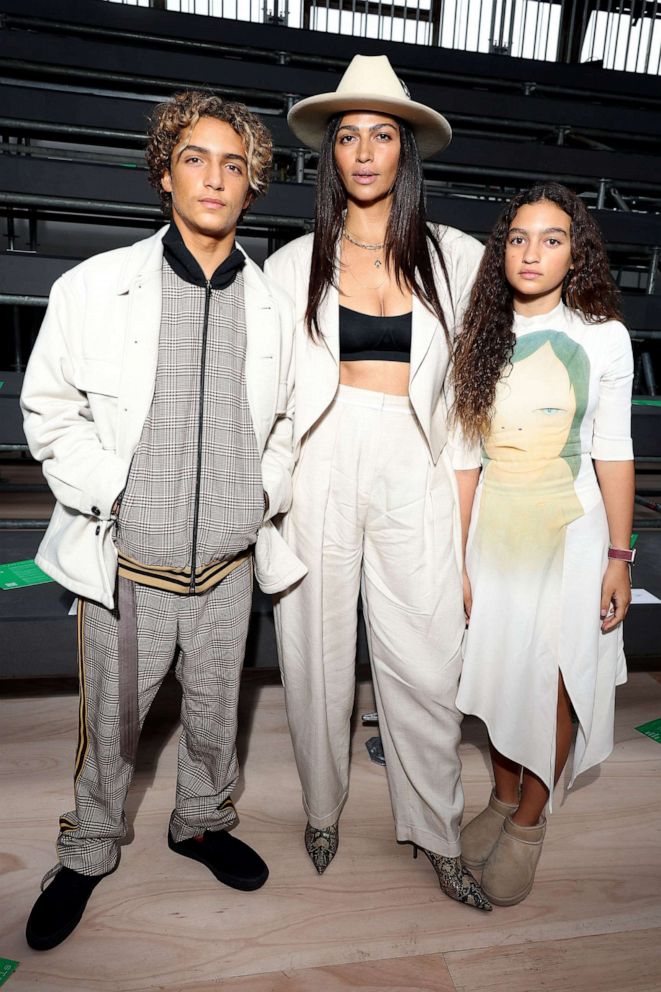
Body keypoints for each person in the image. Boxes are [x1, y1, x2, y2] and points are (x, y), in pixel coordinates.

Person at [20, 90, 304, 950]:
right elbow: (48, 409)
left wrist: (262, 496)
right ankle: (90, 845)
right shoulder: (94, 287)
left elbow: (291, 421)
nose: (214, 177)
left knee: (217, 715)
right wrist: (116, 489)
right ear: (164, 172)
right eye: (195, 158)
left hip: (227, 566)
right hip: (127, 567)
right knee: (110, 720)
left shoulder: (276, 310)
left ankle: (201, 823)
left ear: (252, 182)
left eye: (233, 163)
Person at [265, 55, 490, 912]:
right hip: (319, 462)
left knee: (428, 661)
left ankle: (436, 829)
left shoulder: (458, 259)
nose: (364, 151)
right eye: (348, 136)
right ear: (330, 156)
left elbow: (477, 397)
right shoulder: (289, 266)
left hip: (416, 464)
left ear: (406, 151)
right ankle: (322, 809)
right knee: (314, 651)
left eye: (382, 135)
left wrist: (472, 525)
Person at [453, 182, 634, 906]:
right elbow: (463, 457)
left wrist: (619, 558)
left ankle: (529, 822)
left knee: (557, 676)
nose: (532, 253)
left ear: (574, 252)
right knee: (495, 673)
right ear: (502, 250)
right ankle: (499, 797)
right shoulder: (477, 332)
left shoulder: (602, 335)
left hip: (572, 534)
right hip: (494, 532)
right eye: (519, 238)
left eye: (551, 238)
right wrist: (458, 557)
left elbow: (613, 450)